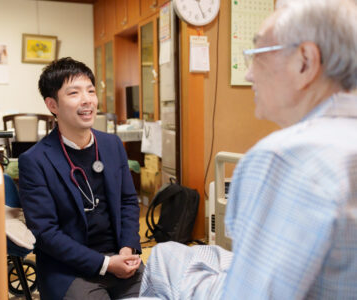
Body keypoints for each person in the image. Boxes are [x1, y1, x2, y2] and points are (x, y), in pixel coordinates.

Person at [139, 0, 357, 299]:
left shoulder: (281, 158)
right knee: (184, 255)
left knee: (164, 258)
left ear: (305, 61)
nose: (250, 74)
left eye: (257, 55)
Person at [19, 57, 143, 300]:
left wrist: (127, 249)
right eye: (74, 93)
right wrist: (105, 264)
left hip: (120, 257)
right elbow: (46, 233)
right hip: (68, 269)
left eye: (91, 91)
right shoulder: (35, 160)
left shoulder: (111, 144)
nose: (87, 100)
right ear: (52, 104)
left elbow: (128, 202)